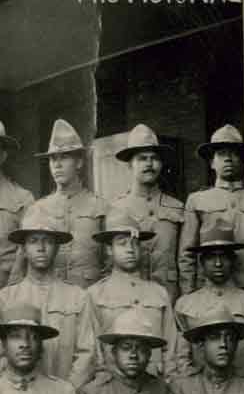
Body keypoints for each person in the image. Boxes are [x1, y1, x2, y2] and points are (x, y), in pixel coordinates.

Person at [0, 208, 97, 385]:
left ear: (57, 247)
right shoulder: (6, 298)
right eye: (33, 241)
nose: (41, 248)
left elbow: (87, 354)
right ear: (23, 247)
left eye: (48, 241)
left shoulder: (78, 297)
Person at [11, 118, 108, 288]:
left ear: (79, 162)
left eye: (64, 157)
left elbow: (112, 266)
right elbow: (21, 267)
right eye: (52, 159)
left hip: (89, 300)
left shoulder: (100, 208)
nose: (57, 165)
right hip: (49, 302)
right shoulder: (37, 209)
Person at [173, 217, 244, 376]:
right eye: (211, 257)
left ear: (233, 260)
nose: (218, 263)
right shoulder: (185, 305)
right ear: (202, 262)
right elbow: (181, 358)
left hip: (242, 389)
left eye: (224, 256)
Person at [87, 209, 180, 379]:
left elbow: (171, 347)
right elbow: (94, 350)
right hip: (114, 385)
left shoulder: (159, 293)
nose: (130, 249)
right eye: (122, 243)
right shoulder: (95, 294)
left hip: (155, 383)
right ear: (109, 249)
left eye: (135, 243)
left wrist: (170, 379)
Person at [182, 125, 244, 296]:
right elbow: (186, 254)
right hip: (208, 288)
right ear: (212, 163)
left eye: (235, 154)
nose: (228, 159)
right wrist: (188, 293)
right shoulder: (197, 200)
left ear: (243, 161)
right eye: (222, 154)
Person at [111, 124, 184, 301]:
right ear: (130, 164)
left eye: (154, 158)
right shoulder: (116, 208)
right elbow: (108, 261)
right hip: (130, 297)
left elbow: (185, 258)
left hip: (170, 295)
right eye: (142, 158)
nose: (149, 164)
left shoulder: (177, 207)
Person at [0, 119, 35, 288]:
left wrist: (10, 294)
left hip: (8, 292)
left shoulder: (23, 199)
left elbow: (27, 251)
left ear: (3, 154)